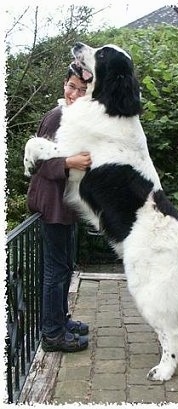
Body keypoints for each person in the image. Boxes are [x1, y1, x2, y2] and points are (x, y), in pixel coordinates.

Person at [27, 63, 92, 352]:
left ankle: (60, 320)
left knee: (64, 268)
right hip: (52, 204)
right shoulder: (57, 116)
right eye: (71, 87)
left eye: (82, 89)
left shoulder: (78, 117)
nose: (74, 94)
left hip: (64, 205)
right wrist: (69, 163)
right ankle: (52, 334)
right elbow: (39, 161)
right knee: (56, 270)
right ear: (64, 85)